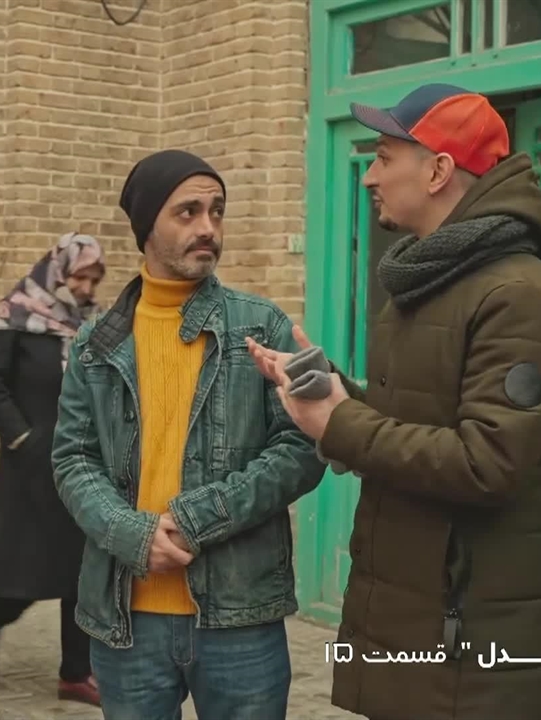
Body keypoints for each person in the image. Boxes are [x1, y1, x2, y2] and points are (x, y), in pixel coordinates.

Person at [250, 83, 541, 720]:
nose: (369, 176)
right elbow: (413, 425)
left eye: (383, 157)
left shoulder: (520, 298)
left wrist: (338, 421)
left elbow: (486, 461)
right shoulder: (429, 283)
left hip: (469, 643)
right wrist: (329, 387)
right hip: (414, 618)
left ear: (437, 171)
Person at [52, 149, 326, 720]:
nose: (208, 227)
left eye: (216, 211)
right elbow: (73, 459)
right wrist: (133, 534)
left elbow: (303, 447)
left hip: (239, 616)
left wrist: (201, 517)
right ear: (146, 225)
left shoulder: (262, 326)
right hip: (126, 620)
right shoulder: (95, 344)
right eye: (188, 212)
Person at [0, 231, 108, 706]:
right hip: (31, 462)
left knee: (82, 567)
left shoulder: (91, 325)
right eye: (80, 276)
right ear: (57, 271)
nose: (86, 287)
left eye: (94, 279)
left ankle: (75, 673)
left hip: (82, 461)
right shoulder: (16, 315)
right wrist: (22, 439)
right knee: (30, 570)